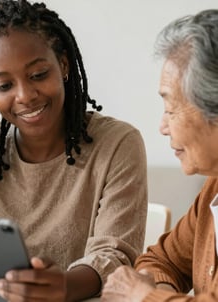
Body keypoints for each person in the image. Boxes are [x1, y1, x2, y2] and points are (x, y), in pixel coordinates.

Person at [0, 0, 147, 300]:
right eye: (4, 85)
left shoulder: (117, 143)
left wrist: (63, 286)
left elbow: (114, 256)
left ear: (63, 65)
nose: (25, 96)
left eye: (38, 75)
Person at [101, 9, 218, 302]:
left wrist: (144, 297)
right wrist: (156, 294)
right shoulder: (213, 190)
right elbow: (159, 260)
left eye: (170, 109)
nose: (162, 127)